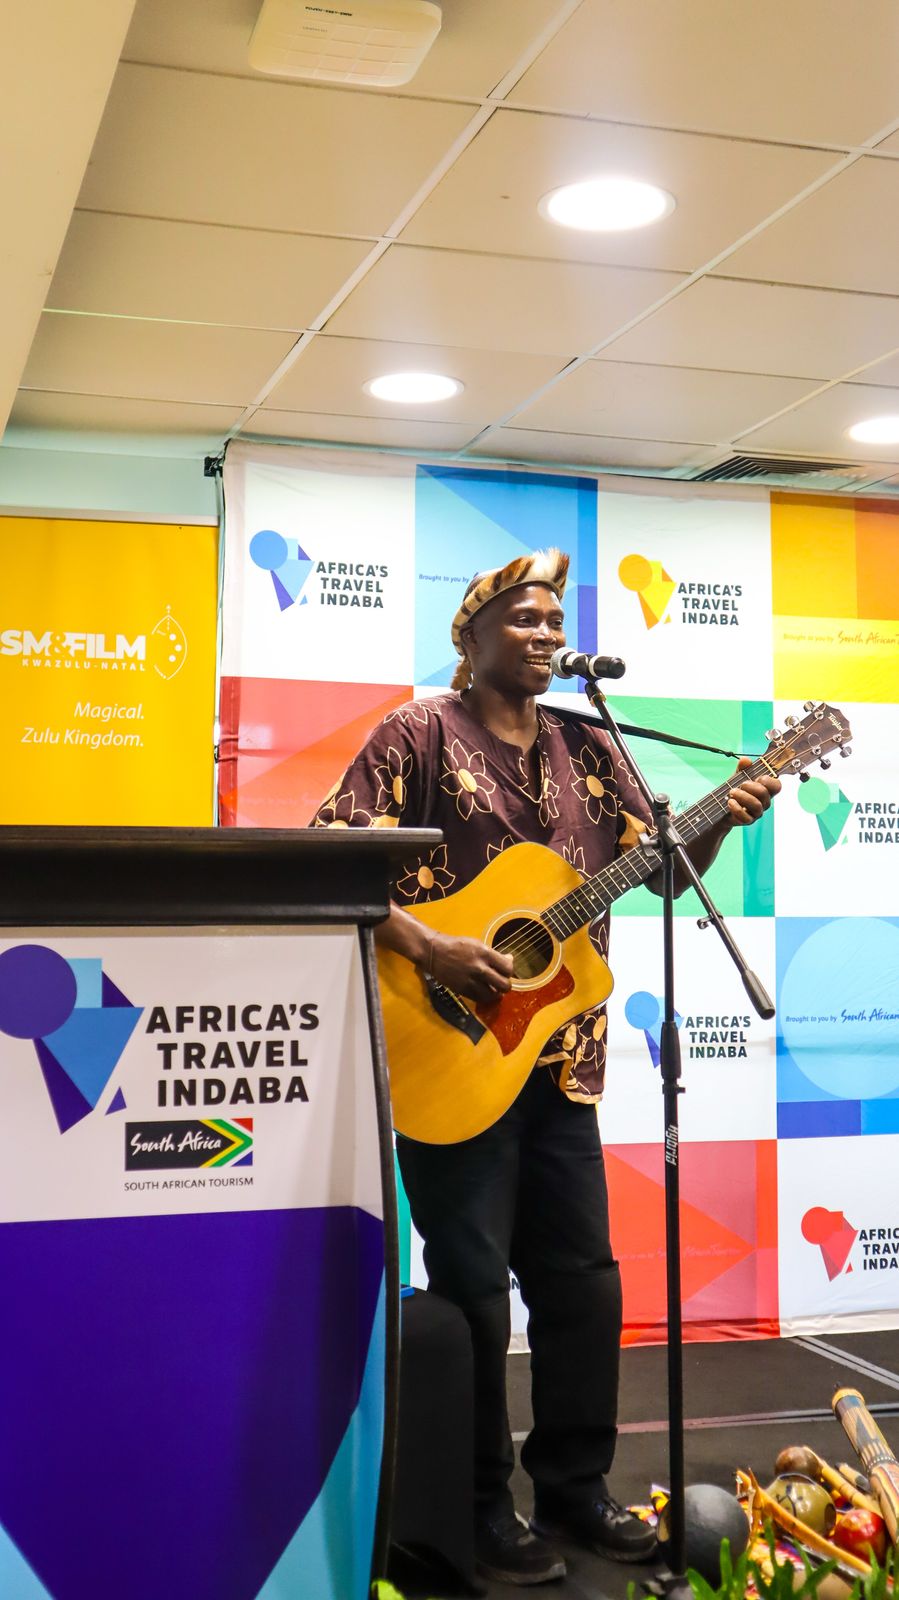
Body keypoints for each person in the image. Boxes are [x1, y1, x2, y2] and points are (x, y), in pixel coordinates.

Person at [312, 548, 780, 1586]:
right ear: (470, 634)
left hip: (561, 1061)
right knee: (475, 1294)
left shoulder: (587, 745)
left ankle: (574, 1487)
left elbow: (660, 874)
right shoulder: (416, 733)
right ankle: (480, 1504)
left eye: (553, 620)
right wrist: (432, 949)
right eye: (522, 618)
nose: (543, 633)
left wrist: (716, 822)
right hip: (446, 1052)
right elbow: (332, 853)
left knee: (582, 1287)